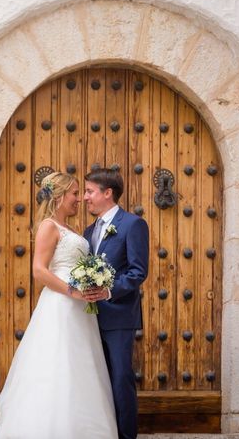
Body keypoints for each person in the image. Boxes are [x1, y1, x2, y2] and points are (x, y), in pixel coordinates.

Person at [0, 172, 116, 438]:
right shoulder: (49, 226)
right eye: (75, 193)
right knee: (57, 362)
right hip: (60, 305)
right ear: (61, 196)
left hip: (80, 308)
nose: (80, 199)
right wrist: (72, 291)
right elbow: (39, 271)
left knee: (80, 363)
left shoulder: (73, 230)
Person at [81, 169, 149, 439]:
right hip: (88, 317)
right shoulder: (88, 230)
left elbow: (137, 271)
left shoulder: (133, 224)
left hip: (119, 316)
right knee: (96, 379)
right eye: (85, 192)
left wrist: (108, 292)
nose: (85, 197)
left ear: (107, 193)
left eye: (90, 191)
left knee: (120, 379)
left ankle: (126, 436)